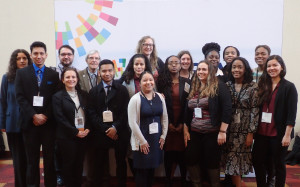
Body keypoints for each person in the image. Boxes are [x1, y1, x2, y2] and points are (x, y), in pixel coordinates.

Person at [15, 41, 59, 187]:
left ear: (46, 55)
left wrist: (45, 116)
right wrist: (34, 115)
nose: (38, 56)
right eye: (35, 53)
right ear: (31, 55)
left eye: (41, 53)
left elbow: (55, 98)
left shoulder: (53, 74)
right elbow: (20, 97)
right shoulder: (21, 73)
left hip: (48, 125)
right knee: (32, 160)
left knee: (49, 159)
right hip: (30, 124)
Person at [183, 60, 231, 187]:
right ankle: (196, 184)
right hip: (194, 132)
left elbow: (227, 109)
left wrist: (222, 131)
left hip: (213, 133)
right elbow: (187, 110)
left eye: (204, 69)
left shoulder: (219, 86)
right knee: (191, 159)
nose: (201, 72)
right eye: (199, 69)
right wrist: (186, 129)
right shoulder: (194, 86)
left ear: (210, 71)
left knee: (212, 162)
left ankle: (215, 184)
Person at [253, 55, 298, 187]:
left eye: (275, 65)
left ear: (281, 67)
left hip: (279, 133)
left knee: (279, 164)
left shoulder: (289, 87)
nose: (271, 68)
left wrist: (287, 135)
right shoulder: (263, 85)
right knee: (257, 161)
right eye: (269, 66)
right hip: (261, 132)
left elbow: (291, 113)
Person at [87, 59, 130, 187]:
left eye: (110, 70)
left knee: (121, 162)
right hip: (101, 132)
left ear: (114, 71)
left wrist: (115, 127)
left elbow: (125, 111)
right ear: (99, 72)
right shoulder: (93, 91)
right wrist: (106, 129)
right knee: (98, 163)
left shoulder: (122, 89)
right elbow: (91, 113)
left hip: (119, 132)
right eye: (104, 71)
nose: (107, 73)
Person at [222, 57, 259, 187]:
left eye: (240, 67)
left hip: (244, 131)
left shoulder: (253, 87)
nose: (236, 70)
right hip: (228, 130)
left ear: (245, 69)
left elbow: (255, 111)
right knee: (231, 161)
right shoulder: (227, 86)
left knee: (238, 161)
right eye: (234, 67)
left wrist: (251, 133)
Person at [128, 71, 168, 187]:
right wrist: (142, 141)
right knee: (142, 172)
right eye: (144, 80)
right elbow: (132, 123)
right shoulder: (135, 99)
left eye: (150, 79)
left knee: (151, 171)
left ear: (154, 81)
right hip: (142, 141)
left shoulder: (160, 97)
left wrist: (163, 136)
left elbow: (164, 118)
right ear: (139, 83)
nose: (148, 82)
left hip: (156, 140)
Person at [52, 68, 90, 187]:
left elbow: (89, 113)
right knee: (68, 164)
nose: (71, 79)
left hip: (83, 134)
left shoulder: (83, 94)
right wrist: (75, 132)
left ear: (77, 79)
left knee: (79, 164)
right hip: (66, 136)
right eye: (67, 77)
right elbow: (60, 118)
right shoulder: (57, 96)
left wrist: (88, 128)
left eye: (73, 77)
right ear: (63, 80)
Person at [157, 55, 191, 186]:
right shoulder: (161, 82)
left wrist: (183, 123)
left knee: (183, 154)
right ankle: (168, 180)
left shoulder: (187, 82)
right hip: (167, 123)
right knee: (169, 153)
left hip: (183, 122)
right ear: (167, 65)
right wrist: (168, 123)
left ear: (180, 65)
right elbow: (159, 104)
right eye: (171, 63)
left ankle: (183, 180)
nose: (174, 65)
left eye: (176, 62)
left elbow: (189, 105)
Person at [0, 49, 32, 187]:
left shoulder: (32, 77)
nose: (22, 61)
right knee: (18, 160)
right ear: (14, 61)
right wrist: (2, 122)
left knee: (30, 158)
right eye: (18, 58)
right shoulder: (7, 78)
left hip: (30, 124)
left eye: (24, 58)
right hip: (12, 123)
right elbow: (2, 101)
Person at [119, 54, 152, 176]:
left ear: (145, 65)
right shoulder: (126, 82)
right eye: (136, 64)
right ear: (132, 66)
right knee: (132, 151)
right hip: (130, 123)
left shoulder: (151, 79)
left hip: (147, 123)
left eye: (141, 64)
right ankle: (137, 178)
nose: (139, 67)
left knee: (147, 148)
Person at [78, 50, 101, 186]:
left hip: (100, 118)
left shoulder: (103, 74)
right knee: (87, 153)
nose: (94, 60)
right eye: (91, 58)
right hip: (84, 118)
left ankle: (102, 179)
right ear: (86, 60)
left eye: (96, 58)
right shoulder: (79, 75)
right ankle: (89, 179)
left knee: (100, 152)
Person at [54, 44, 76, 186]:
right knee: (57, 148)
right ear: (59, 56)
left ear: (73, 56)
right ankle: (58, 175)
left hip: (73, 119)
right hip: (56, 116)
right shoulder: (52, 73)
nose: (66, 57)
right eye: (63, 54)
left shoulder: (76, 73)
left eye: (69, 54)